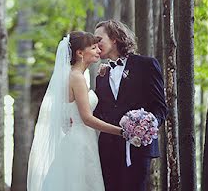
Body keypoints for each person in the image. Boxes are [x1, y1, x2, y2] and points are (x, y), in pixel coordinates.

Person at [26, 31, 124, 191]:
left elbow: (68, 114)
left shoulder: (74, 75)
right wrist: (121, 131)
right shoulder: (76, 77)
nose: (99, 50)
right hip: (81, 143)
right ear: (80, 53)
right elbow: (87, 118)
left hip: (79, 138)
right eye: (93, 48)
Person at [93, 19, 167, 191]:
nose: (95, 44)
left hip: (137, 149)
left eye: (99, 39)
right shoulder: (101, 76)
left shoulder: (146, 65)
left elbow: (160, 107)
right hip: (107, 149)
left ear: (114, 38)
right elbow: (100, 112)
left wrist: (147, 125)